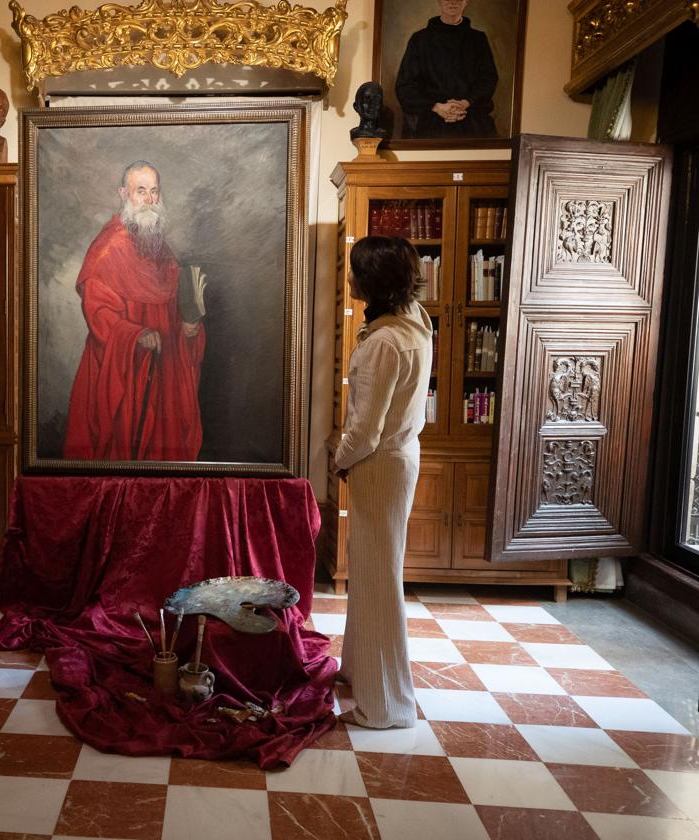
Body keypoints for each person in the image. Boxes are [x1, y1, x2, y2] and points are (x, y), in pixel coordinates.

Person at [334, 235, 433, 730]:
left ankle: (386, 707)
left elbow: (365, 431)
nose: (349, 278)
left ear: (371, 283)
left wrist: (339, 459)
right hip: (401, 458)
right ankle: (359, 671)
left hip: (379, 464)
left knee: (375, 580)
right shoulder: (416, 321)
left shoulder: (383, 342)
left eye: (355, 272)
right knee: (374, 571)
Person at [63, 161, 206, 461]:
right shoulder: (109, 247)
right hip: (124, 371)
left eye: (154, 192)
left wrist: (188, 330)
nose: (150, 200)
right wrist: (136, 335)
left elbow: (174, 310)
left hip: (163, 370)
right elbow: (98, 312)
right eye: (141, 191)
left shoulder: (160, 249)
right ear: (123, 194)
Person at [394, 0, 498, 139]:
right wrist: (437, 107)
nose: (452, 2)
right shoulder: (420, 39)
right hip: (430, 121)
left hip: (472, 120)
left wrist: (466, 103)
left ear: (466, 2)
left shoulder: (478, 39)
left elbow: (489, 79)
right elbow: (405, 86)